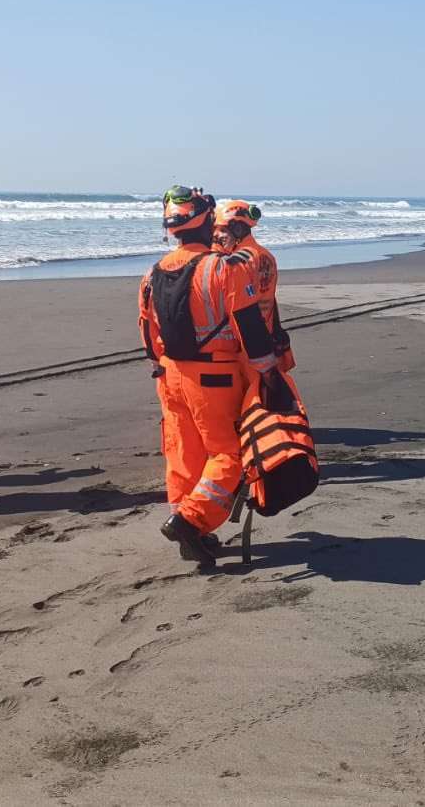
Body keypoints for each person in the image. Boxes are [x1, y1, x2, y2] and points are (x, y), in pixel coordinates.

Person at [139, 185, 279, 567]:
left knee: (183, 455)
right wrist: (269, 372)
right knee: (228, 455)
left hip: (168, 376)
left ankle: (193, 526)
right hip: (214, 378)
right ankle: (188, 521)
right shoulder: (224, 268)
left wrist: (160, 366)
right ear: (205, 222)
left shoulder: (152, 273)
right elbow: (249, 323)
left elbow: (148, 332)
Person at [212, 199, 295, 372]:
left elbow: (238, 308)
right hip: (267, 339)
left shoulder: (236, 262)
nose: (217, 236)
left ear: (238, 229)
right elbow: (270, 299)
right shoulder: (267, 256)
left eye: (222, 230)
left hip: (246, 347)